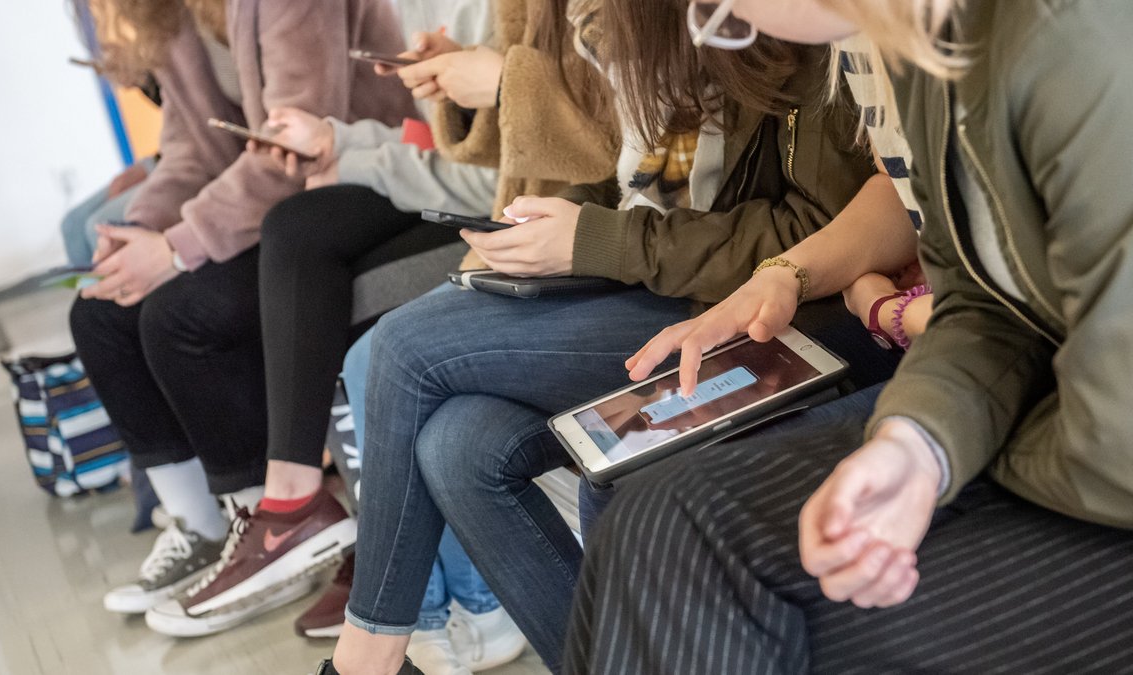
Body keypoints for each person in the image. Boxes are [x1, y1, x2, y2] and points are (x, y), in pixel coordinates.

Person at [564, 1, 1133, 673]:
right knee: (653, 522)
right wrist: (917, 442)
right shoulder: (930, 52)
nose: (711, 17)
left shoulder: (1067, 38)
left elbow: (1116, 437)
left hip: (1105, 468)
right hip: (1067, 427)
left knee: (707, 601)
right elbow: (982, 302)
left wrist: (945, 455)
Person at [324, 0, 885, 671]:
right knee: (460, 444)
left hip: (774, 310)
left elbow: (813, 235)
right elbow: (654, 188)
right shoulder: (671, 43)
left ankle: (363, 662)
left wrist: (593, 237)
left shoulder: (795, 34)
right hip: (676, 280)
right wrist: (562, 222)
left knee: (399, 348)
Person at [244, 1, 619, 670]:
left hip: (601, 244)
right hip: (567, 229)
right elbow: (509, 154)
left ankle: (374, 644)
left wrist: (501, 85)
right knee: (452, 437)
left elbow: (603, 153)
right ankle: (439, 609)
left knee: (385, 351)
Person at [69, 0, 415, 631]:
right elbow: (190, 153)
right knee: (102, 311)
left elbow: (297, 144)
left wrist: (176, 247)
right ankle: (221, 529)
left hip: (374, 177)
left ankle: (285, 529)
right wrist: (140, 232)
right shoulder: (162, 14)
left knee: (182, 315)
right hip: (280, 200)